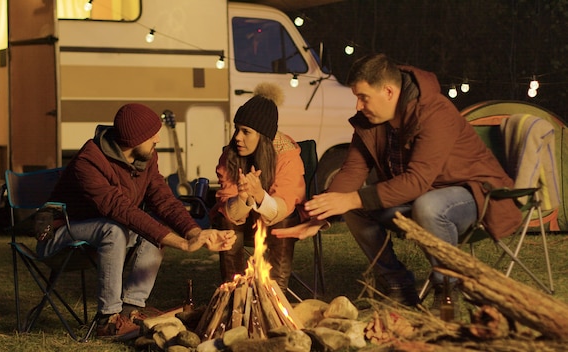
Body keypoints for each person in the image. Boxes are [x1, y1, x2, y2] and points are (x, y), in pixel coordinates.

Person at [272, 53, 522, 309]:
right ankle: (399, 286)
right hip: (418, 196)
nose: (358, 106)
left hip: (474, 192)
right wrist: (320, 217)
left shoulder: (435, 112)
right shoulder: (372, 121)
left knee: (428, 205)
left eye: (363, 97)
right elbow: (352, 170)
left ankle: (446, 290)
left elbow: (417, 181)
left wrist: (352, 198)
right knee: (356, 209)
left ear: (389, 92)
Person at [38, 103, 236, 339]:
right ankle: (107, 320)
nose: (158, 139)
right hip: (58, 234)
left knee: (150, 232)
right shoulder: (89, 162)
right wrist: (181, 244)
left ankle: (131, 308)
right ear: (133, 139)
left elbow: (163, 200)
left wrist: (193, 232)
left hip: (103, 230)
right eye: (152, 135)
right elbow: (120, 210)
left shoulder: (145, 158)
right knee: (115, 230)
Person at [212, 82, 306, 293]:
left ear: (262, 136)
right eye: (237, 129)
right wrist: (244, 197)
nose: (237, 137)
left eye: (246, 131)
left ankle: (275, 295)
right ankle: (233, 291)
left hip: (276, 220)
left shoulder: (287, 156)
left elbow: (284, 206)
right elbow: (229, 208)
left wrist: (259, 196)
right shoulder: (230, 156)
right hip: (244, 221)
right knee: (225, 219)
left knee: (284, 221)